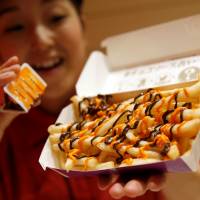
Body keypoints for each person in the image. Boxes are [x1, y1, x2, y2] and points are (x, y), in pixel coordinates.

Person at [0, 0, 165, 199]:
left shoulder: (135, 105)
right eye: (16, 27)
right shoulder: (6, 143)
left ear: (82, 26)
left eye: (56, 18)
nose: (41, 40)